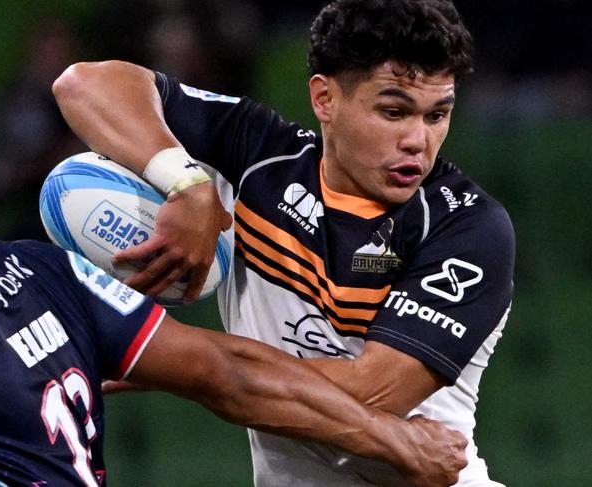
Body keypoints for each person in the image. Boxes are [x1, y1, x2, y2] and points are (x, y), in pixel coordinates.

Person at [52, 0, 515, 485]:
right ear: (325, 99)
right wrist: (185, 184)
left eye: (437, 115)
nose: (418, 140)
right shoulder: (257, 156)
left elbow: (365, 400)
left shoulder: (468, 227)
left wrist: (164, 359)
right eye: (394, 111)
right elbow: (83, 84)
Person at [0, 189, 466, 486]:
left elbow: (229, 374)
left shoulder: (31, 266)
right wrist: (398, 440)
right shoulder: (30, 266)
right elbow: (230, 374)